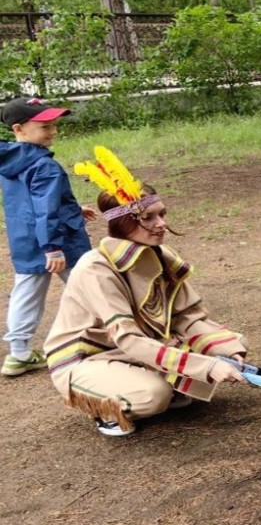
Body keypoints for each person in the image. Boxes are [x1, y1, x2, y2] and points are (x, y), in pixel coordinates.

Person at [44, 147, 249, 436]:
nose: (161, 223)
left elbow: (183, 316)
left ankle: (147, 379)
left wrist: (224, 351)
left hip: (135, 349)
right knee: (154, 396)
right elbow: (126, 337)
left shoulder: (161, 255)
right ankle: (105, 409)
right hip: (87, 359)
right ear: (124, 222)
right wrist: (204, 366)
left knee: (228, 346)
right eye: (149, 218)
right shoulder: (96, 267)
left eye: (162, 214)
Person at [0, 98, 96, 377]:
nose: (53, 131)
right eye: (45, 126)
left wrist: (73, 207)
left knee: (26, 294)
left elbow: (32, 201)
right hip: (59, 240)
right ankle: (104, 338)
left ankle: (18, 353)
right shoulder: (44, 165)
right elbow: (45, 207)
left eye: (54, 125)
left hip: (26, 240)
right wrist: (53, 247)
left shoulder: (11, 161)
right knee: (88, 284)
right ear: (19, 128)